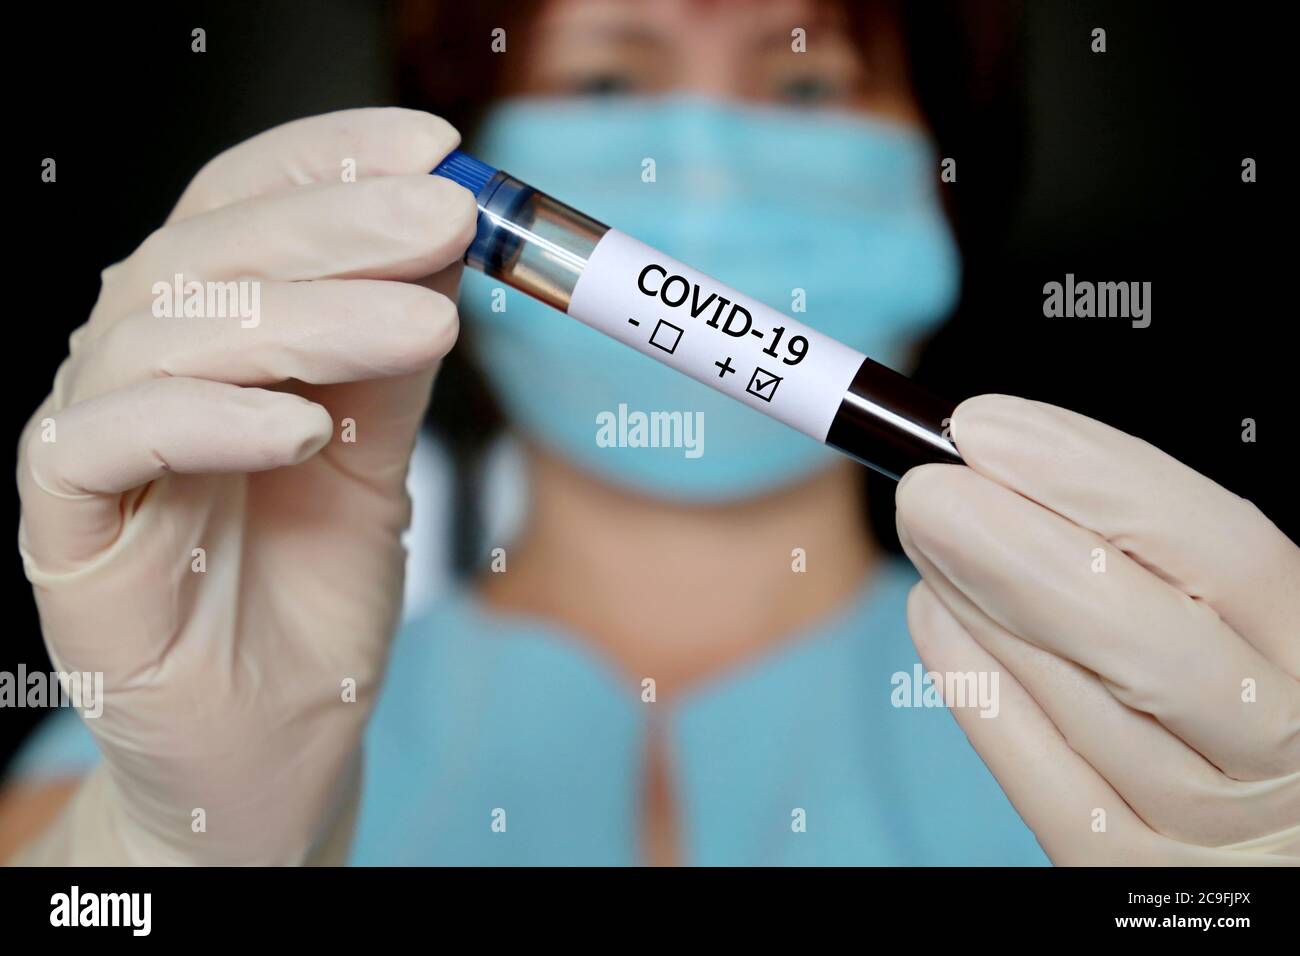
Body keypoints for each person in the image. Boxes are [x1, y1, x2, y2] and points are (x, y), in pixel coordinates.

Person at [3, 0, 1297, 866]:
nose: (706, 167)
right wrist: (160, 865)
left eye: (804, 86)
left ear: (944, 181)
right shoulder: (217, 690)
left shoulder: (1169, 724)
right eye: (612, 75)